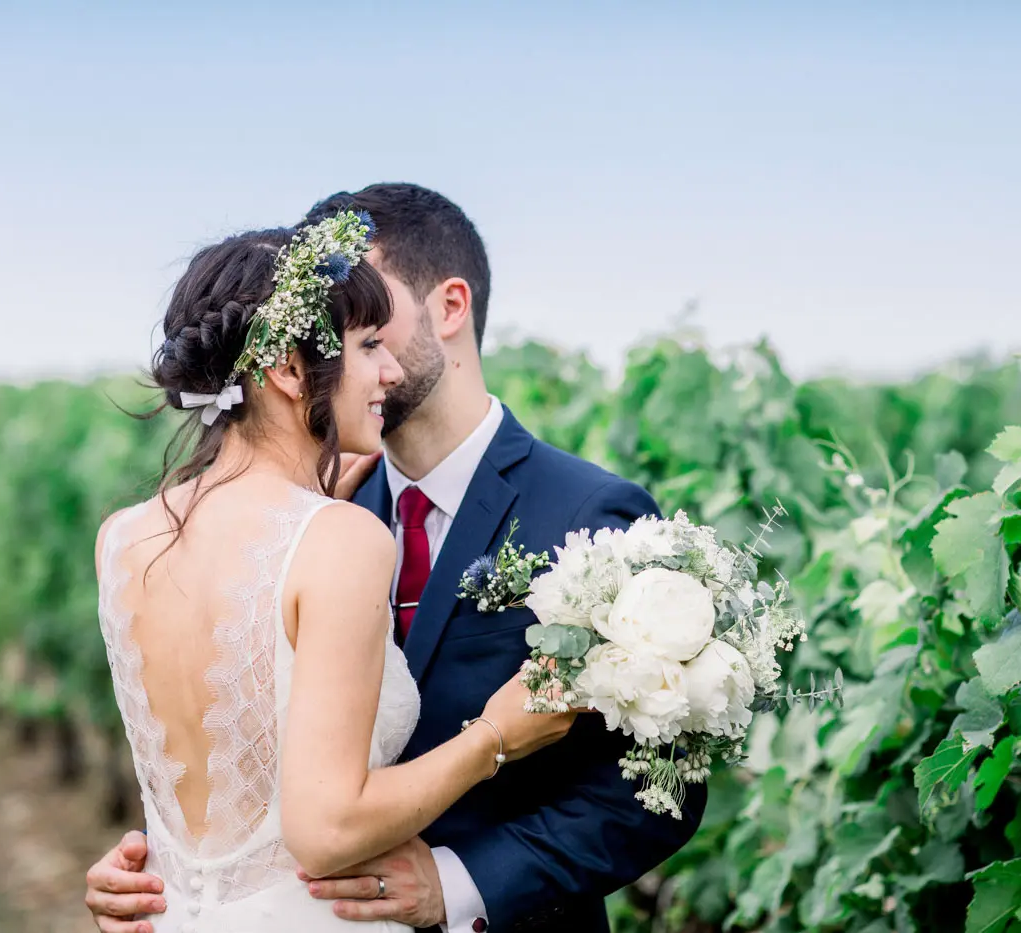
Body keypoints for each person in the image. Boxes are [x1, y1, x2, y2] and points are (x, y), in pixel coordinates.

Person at [86, 184, 706, 933]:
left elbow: (648, 791)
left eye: (382, 319)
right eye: (360, 332)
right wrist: (169, 871)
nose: (374, 351)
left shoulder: (591, 518)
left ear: (450, 307)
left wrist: (458, 886)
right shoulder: (321, 523)